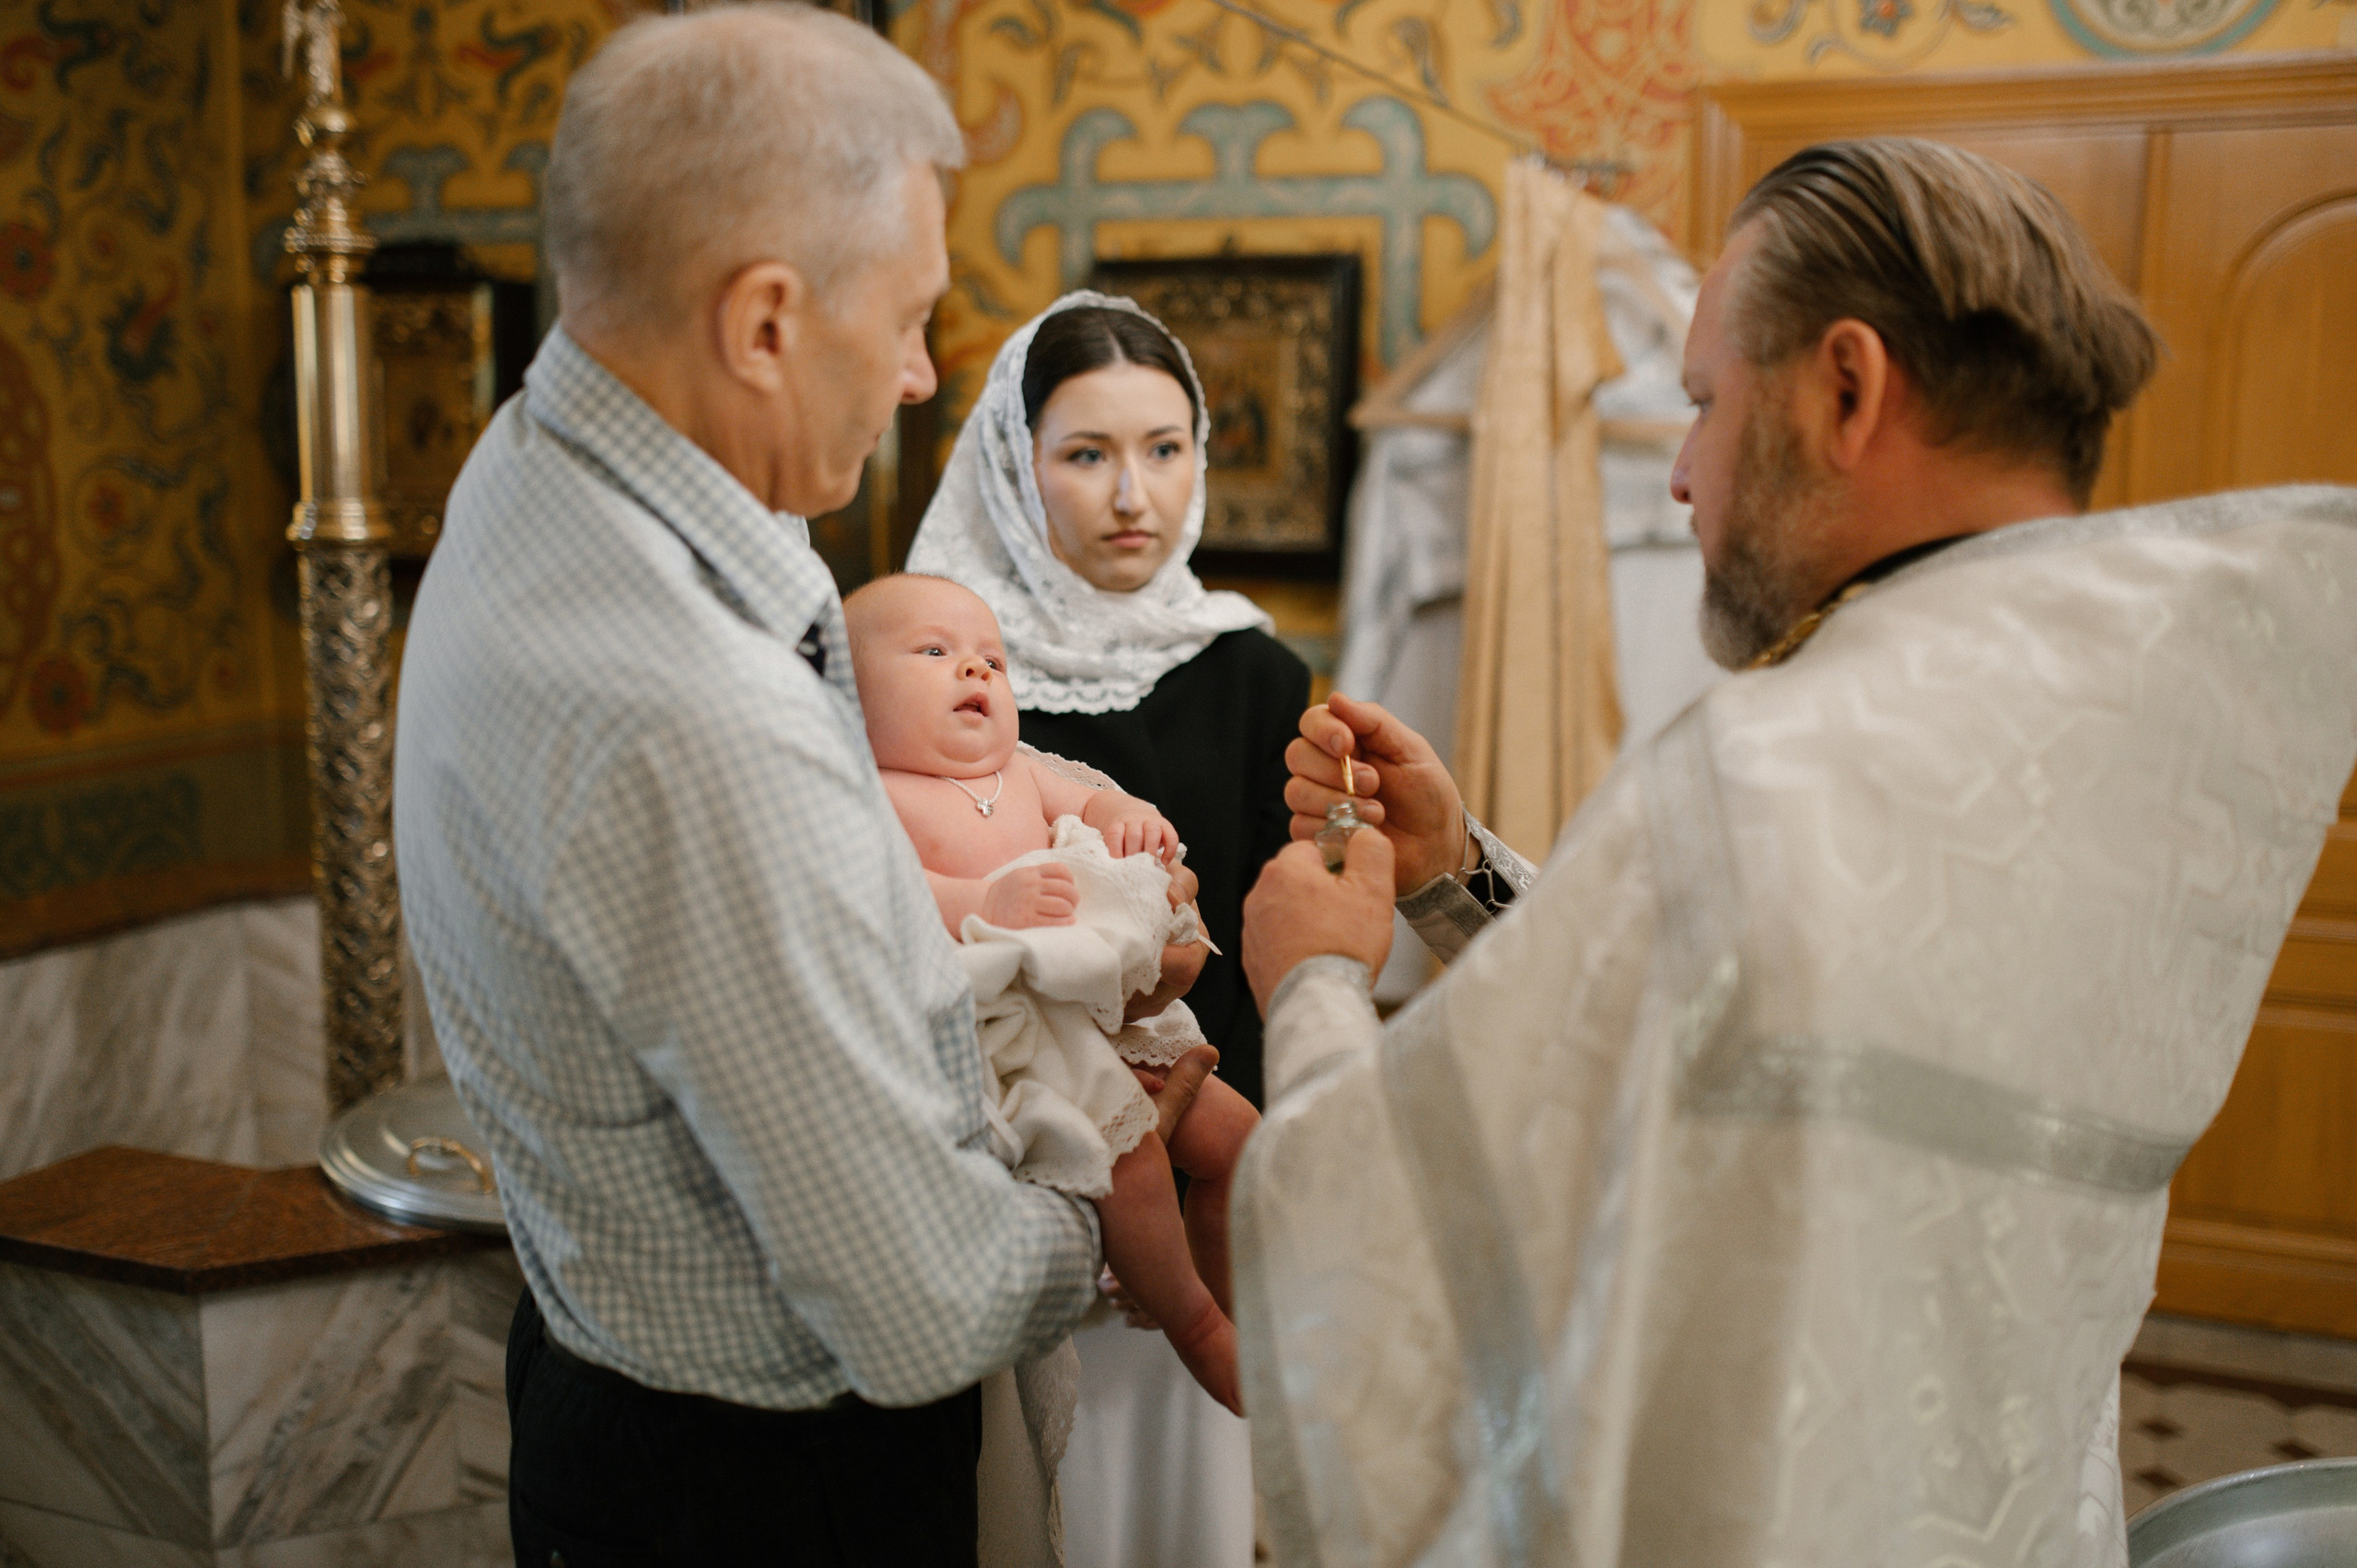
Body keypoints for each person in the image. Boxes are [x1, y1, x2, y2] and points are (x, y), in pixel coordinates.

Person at [1233, 137, 2357, 1565]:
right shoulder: (2153, 734)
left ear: (1844, 385)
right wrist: (1461, 875)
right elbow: (1746, 1030)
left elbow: (1381, 1242)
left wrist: (1318, 979)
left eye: (1702, 402)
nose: (1684, 477)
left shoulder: (1761, 769)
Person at [390, 8, 1212, 1562]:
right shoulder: (684, 706)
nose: (916, 378)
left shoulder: (536, 454)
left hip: (612, 1391)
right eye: (906, 318)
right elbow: (917, 1304)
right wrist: (1104, 1209)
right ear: (764, 322)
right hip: (762, 1486)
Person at [907, 293, 1304, 1565]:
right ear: (1014, 471)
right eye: (1086, 454)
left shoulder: (1251, 668)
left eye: (1167, 446)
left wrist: (1202, 1142)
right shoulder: (938, 668)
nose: (1136, 493)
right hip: (1010, 1163)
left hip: (1202, 1156)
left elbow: (1261, 929)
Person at [843, 572, 1258, 1414]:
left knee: (1241, 1136)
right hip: (1016, 1035)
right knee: (1133, 1161)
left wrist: (1131, 817)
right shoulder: (873, 793)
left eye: (992, 659)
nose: (975, 671)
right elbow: (886, 886)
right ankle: (1196, 1324)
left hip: (1101, 1016)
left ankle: (1241, 1301)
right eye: (935, 652)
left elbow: (1098, 800)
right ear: (848, 700)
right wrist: (977, 904)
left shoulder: (1025, 773)